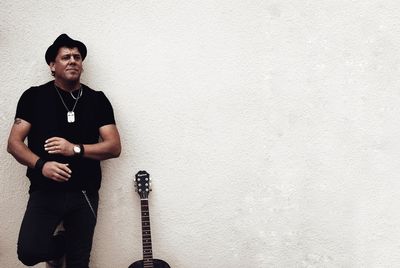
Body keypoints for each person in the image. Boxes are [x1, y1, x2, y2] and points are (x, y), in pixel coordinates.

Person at [7, 33, 122, 267]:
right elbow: (14, 143)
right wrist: (42, 165)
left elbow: (114, 146)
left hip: (84, 192)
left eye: (77, 57)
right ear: (52, 65)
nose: (73, 61)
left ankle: (70, 246)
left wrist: (75, 149)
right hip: (45, 191)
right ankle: (61, 245)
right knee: (29, 252)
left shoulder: (97, 100)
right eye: (66, 57)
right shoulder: (34, 97)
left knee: (79, 261)